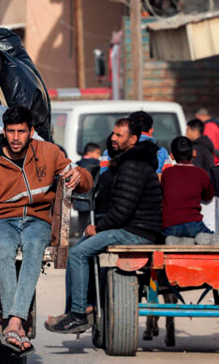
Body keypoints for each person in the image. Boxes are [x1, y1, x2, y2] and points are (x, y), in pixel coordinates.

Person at [0, 106, 92, 354]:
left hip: (37, 219)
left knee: (34, 249)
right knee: (3, 251)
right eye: (10, 131)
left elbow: (82, 179)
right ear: (4, 131)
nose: (15, 137)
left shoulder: (49, 152)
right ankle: (17, 324)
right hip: (2, 220)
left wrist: (79, 175)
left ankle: (13, 322)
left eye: (21, 131)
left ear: (31, 132)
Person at [45, 117, 162, 334]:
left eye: (119, 135)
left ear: (133, 139)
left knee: (78, 254)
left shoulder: (133, 166)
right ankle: (81, 307)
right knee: (81, 248)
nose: (113, 138)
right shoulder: (129, 161)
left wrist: (98, 228)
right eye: (113, 134)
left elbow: (123, 210)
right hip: (131, 228)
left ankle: (79, 314)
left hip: (136, 231)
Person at [161, 136, 214, 238]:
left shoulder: (167, 174)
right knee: (213, 237)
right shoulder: (201, 174)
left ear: (172, 155)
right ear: (193, 153)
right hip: (194, 224)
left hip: (170, 226)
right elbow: (209, 196)